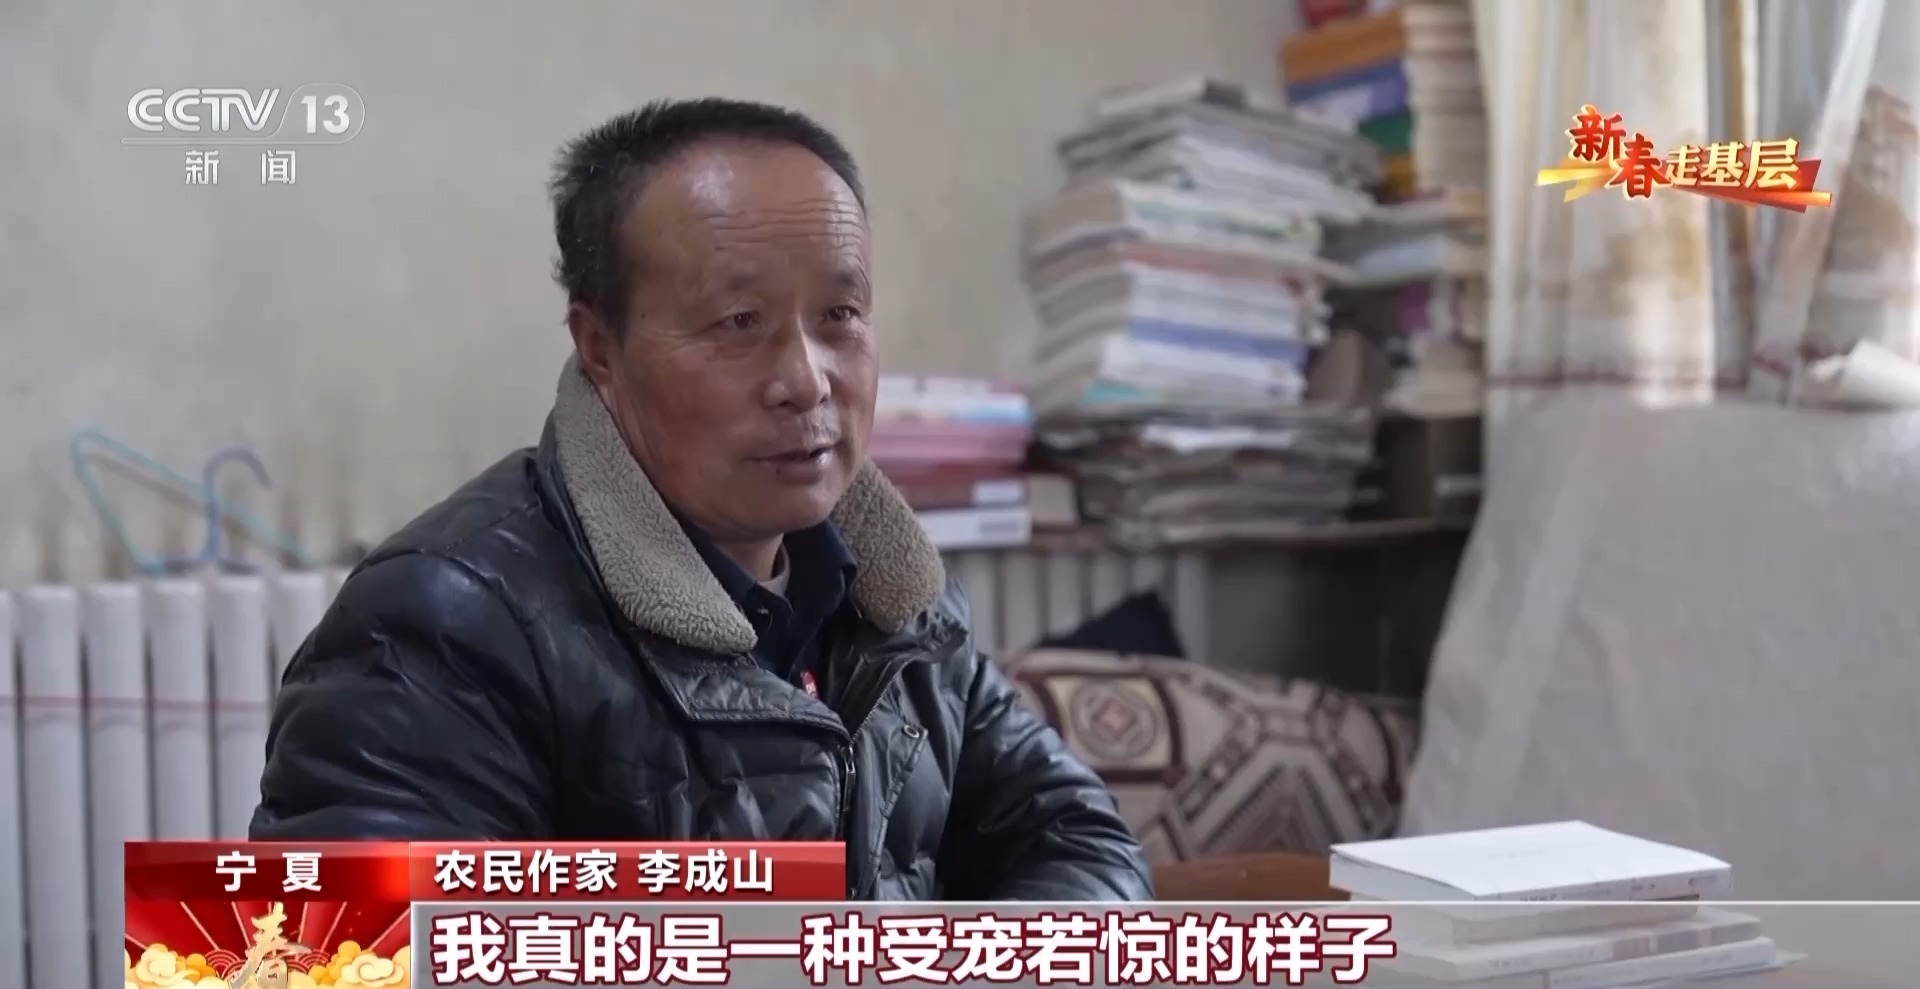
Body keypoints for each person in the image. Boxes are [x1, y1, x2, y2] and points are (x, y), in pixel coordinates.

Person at [250, 98, 1153, 901]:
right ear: (599, 347)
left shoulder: (898, 603)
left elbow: (1079, 838)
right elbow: (351, 954)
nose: (807, 381)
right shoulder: (440, 624)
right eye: (739, 323)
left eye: (840, 316)